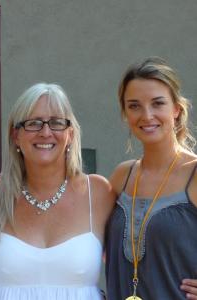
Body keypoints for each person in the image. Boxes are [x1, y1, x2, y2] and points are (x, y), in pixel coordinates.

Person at [0, 83, 115, 299]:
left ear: (70, 134)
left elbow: (133, 267)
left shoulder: (98, 193)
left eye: (56, 123)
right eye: (33, 123)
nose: (45, 132)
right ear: (15, 135)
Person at [106, 57, 197, 300]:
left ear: (176, 109)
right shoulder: (121, 176)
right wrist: (17, 180)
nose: (147, 115)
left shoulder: (194, 174)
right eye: (134, 105)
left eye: (158, 103)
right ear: (125, 112)